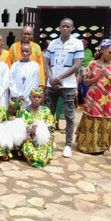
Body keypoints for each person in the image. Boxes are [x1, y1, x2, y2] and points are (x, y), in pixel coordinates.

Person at [44, 18, 84, 158]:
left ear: (72, 28)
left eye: (68, 26)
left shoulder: (77, 43)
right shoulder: (53, 43)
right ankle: (49, 140)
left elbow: (77, 65)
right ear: (59, 27)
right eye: (63, 26)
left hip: (67, 84)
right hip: (52, 84)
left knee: (69, 115)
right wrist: (51, 78)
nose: (65, 28)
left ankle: (67, 145)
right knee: (49, 114)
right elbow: (46, 62)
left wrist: (59, 78)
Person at [76, 39, 111, 154]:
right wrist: (97, 77)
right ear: (102, 50)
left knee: (106, 120)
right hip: (93, 99)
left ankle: (103, 147)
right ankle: (87, 146)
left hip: (107, 100)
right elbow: (86, 82)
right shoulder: (93, 64)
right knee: (90, 119)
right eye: (110, 52)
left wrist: (110, 77)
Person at [19, 88, 55, 168]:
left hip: (42, 139)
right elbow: (20, 128)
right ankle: (34, 158)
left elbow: (51, 126)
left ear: (43, 98)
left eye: (39, 97)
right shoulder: (24, 111)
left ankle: (41, 159)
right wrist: (30, 129)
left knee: (42, 156)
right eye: (34, 97)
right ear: (30, 98)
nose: (36, 99)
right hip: (28, 140)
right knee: (32, 154)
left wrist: (40, 129)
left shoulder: (46, 111)